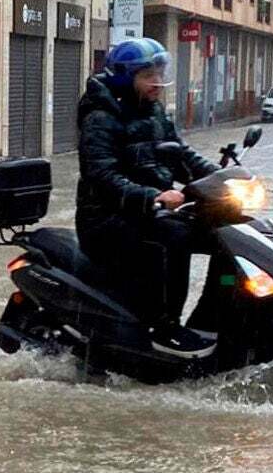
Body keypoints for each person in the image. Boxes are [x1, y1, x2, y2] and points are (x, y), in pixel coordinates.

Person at [75, 37, 220, 358]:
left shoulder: (154, 113)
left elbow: (182, 155)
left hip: (149, 212)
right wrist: (154, 196)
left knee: (219, 234)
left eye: (159, 73)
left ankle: (216, 317)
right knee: (175, 237)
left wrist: (221, 178)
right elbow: (102, 176)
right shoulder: (100, 118)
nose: (157, 81)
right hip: (106, 219)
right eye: (148, 75)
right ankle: (163, 327)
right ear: (126, 78)